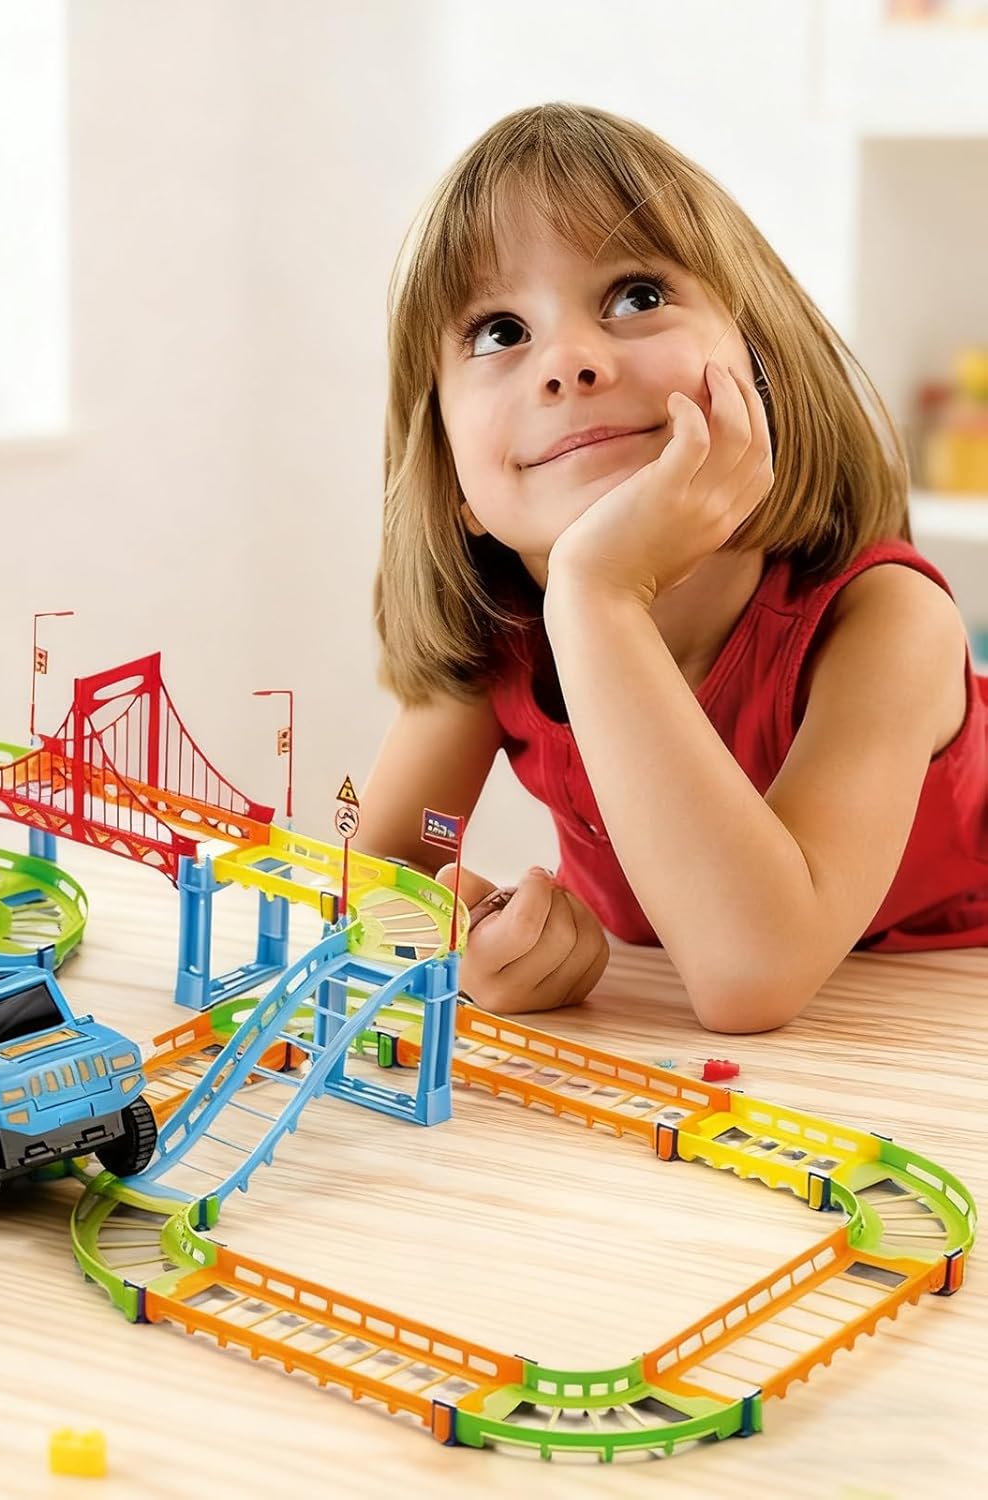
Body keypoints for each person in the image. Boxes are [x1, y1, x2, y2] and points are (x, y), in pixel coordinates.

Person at [358, 102, 988, 1033]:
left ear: (764, 367)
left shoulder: (888, 622)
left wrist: (597, 593)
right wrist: (468, 951)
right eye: (498, 331)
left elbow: (751, 973)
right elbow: (371, 888)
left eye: (637, 296)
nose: (568, 363)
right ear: (451, 476)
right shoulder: (503, 642)